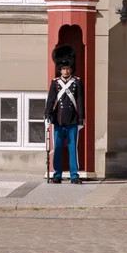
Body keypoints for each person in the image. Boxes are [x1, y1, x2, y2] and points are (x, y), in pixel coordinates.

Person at [44, 45, 85, 184]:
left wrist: (81, 118)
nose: (65, 70)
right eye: (63, 68)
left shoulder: (77, 82)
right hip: (58, 120)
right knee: (58, 148)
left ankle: (74, 175)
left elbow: (80, 100)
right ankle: (57, 174)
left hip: (73, 120)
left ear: (71, 69)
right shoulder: (55, 83)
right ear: (60, 70)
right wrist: (47, 116)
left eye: (67, 68)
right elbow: (50, 100)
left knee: (73, 148)